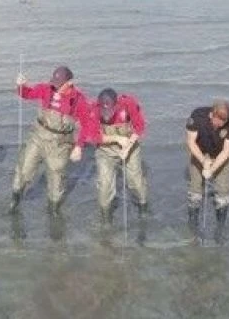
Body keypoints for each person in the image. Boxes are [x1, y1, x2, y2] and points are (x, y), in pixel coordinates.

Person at [10, 65, 88, 213]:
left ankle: (54, 210)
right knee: (23, 169)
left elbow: (86, 124)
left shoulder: (79, 99)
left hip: (60, 143)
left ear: (69, 83)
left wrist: (78, 146)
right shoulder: (46, 88)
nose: (56, 87)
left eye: (59, 85)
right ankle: (15, 200)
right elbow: (27, 94)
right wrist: (21, 85)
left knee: (56, 178)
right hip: (38, 136)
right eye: (54, 83)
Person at [79, 87, 148, 221]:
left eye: (109, 111)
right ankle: (106, 218)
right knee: (104, 187)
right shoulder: (93, 109)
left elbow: (140, 126)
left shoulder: (128, 104)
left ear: (116, 104)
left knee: (135, 182)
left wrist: (127, 147)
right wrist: (117, 139)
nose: (106, 115)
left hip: (130, 148)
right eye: (104, 111)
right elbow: (94, 136)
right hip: (105, 151)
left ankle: (143, 206)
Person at [185, 99, 229, 235]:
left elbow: (227, 151)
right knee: (195, 193)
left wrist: (211, 170)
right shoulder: (197, 117)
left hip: (221, 154)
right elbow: (191, 143)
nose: (220, 125)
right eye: (217, 121)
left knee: (222, 195)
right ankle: (193, 226)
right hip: (200, 152)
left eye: (223, 122)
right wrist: (204, 162)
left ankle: (220, 228)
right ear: (211, 115)